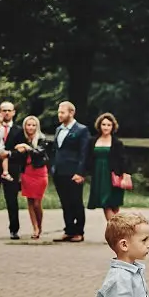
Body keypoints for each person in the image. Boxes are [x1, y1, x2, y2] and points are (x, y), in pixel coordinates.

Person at [0, 100, 26, 241]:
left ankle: (14, 230)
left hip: (11, 167)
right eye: (4, 110)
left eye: (9, 110)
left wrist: (9, 154)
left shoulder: (19, 130)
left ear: (13, 112)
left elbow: (21, 151)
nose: (6, 113)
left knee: (12, 199)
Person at [52, 100, 91, 243]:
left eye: (62, 112)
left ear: (71, 112)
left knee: (76, 201)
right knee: (65, 202)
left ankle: (79, 231)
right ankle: (68, 230)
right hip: (59, 172)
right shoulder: (58, 130)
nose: (60, 115)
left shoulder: (81, 130)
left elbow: (84, 153)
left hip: (74, 171)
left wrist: (80, 172)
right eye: (59, 112)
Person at [87, 112, 128, 222]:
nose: (106, 127)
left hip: (113, 175)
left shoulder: (117, 143)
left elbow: (123, 160)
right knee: (105, 203)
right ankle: (117, 231)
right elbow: (88, 158)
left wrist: (124, 176)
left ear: (113, 126)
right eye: (104, 124)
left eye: (109, 125)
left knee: (114, 205)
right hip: (98, 175)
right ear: (99, 126)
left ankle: (117, 231)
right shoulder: (93, 141)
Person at [14, 115, 50, 239]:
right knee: (29, 201)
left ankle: (40, 226)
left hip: (39, 172)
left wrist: (27, 148)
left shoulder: (42, 139)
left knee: (37, 202)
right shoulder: (22, 138)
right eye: (28, 125)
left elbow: (39, 152)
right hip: (26, 172)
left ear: (37, 126)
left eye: (33, 125)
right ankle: (34, 227)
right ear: (25, 126)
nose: (31, 127)